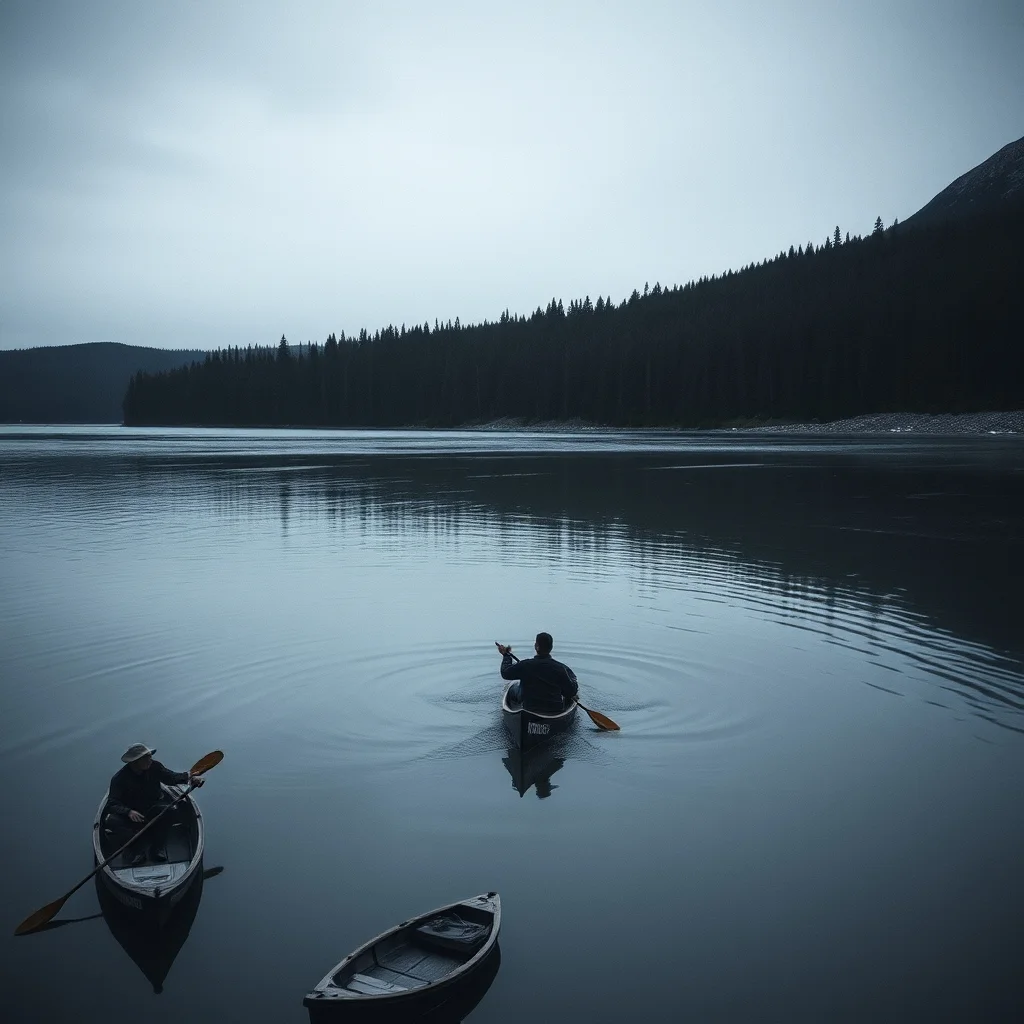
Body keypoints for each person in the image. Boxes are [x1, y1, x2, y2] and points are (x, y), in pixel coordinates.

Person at [105, 743, 204, 865]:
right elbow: (112, 804)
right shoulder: (119, 779)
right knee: (111, 821)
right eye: (146, 758)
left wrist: (190, 777)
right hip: (132, 814)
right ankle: (136, 849)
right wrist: (128, 812)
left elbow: (171, 778)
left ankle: (157, 848)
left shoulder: (155, 767)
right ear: (135, 762)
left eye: (149, 756)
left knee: (170, 811)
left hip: (153, 808)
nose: (150, 759)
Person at [497, 632, 579, 713]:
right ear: (551, 647)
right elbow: (572, 691)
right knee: (569, 693)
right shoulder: (560, 668)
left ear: (536, 646)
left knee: (513, 687)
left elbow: (505, 673)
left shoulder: (525, 665)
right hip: (554, 711)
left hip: (529, 709)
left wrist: (506, 656)